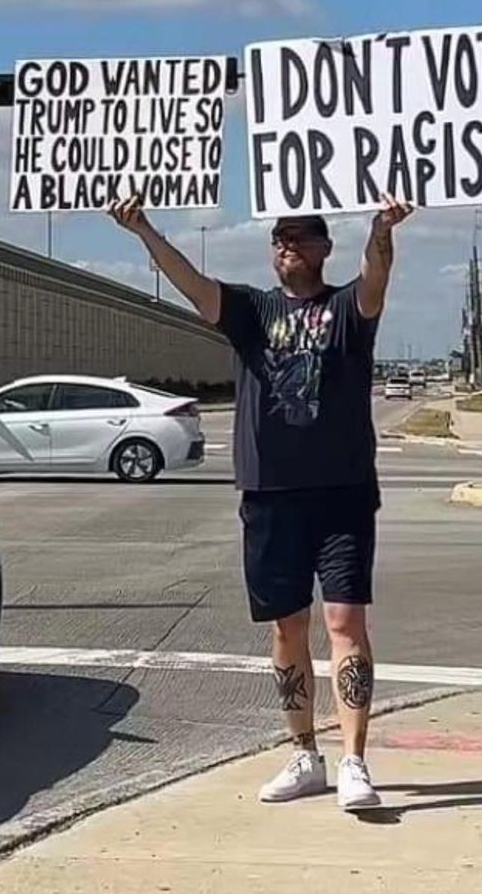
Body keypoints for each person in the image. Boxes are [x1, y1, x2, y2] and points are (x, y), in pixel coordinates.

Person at [107, 193, 411, 811]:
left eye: (300, 237)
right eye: (279, 238)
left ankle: (354, 760)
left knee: (345, 623)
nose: (287, 247)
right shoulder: (250, 310)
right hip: (270, 496)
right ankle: (305, 753)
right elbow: (192, 284)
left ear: (325, 248)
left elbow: (377, 274)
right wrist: (143, 228)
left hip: (343, 492)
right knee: (287, 628)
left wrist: (382, 229)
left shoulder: (348, 308)